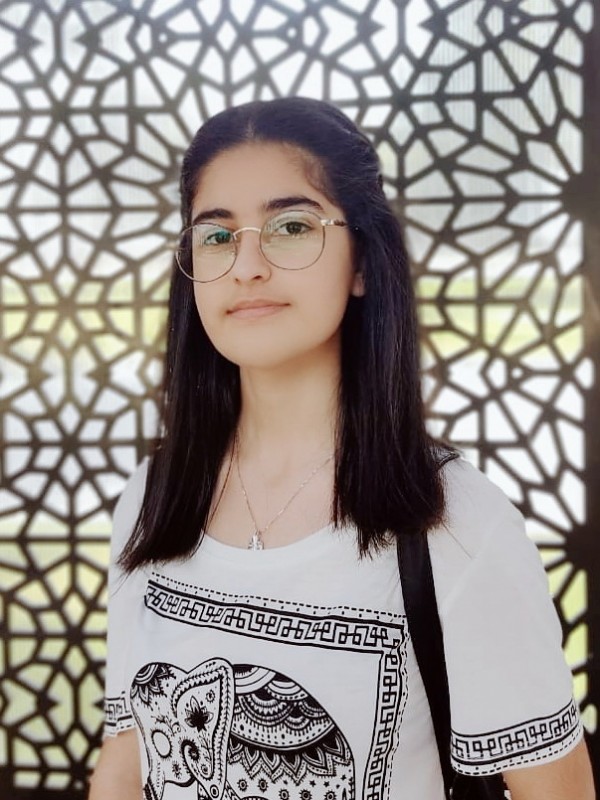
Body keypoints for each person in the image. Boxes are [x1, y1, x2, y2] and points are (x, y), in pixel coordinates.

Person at [89, 97, 594, 800]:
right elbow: (127, 758)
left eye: (292, 226)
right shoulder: (154, 495)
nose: (247, 265)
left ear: (362, 263)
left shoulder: (456, 521)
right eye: (217, 235)